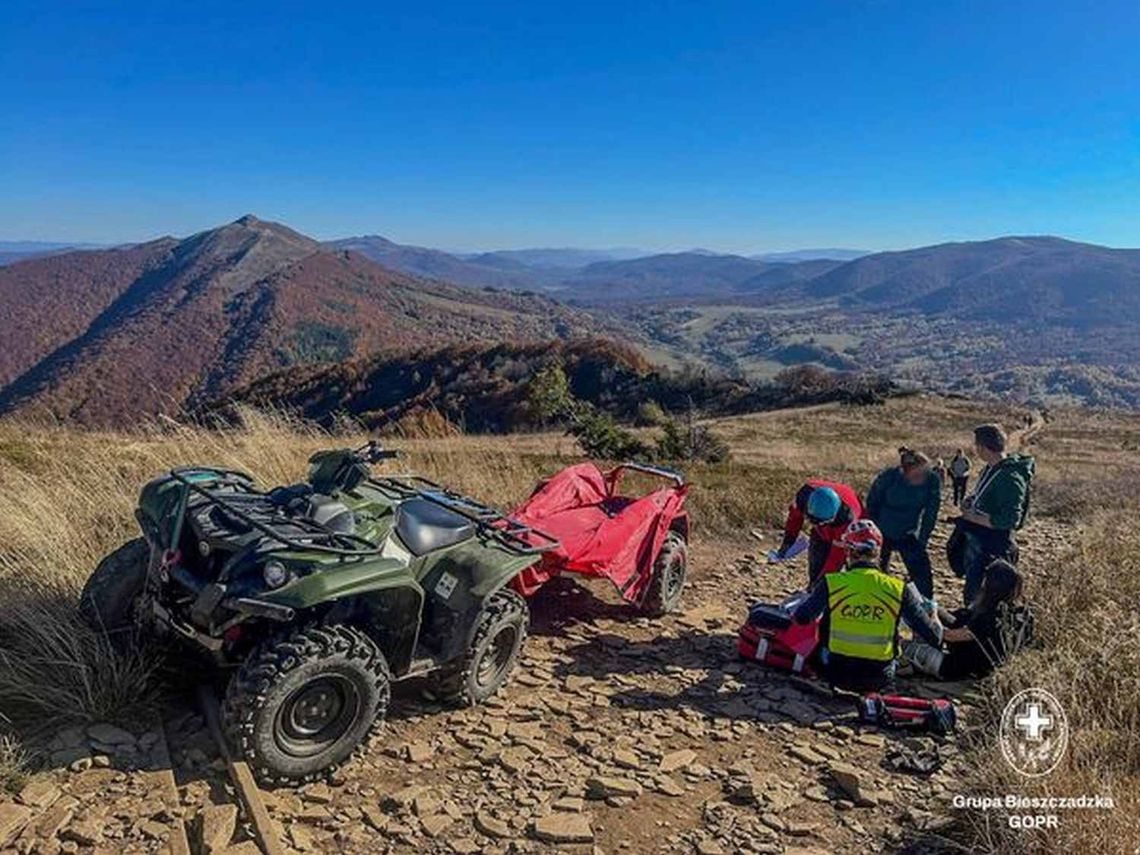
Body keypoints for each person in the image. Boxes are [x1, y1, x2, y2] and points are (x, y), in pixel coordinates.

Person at [791, 519, 943, 692]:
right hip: (879, 677)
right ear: (878, 552)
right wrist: (934, 614)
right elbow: (932, 636)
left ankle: (820, 679)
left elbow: (802, 618)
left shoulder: (832, 582)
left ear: (848, 551)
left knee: (824, 624)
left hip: (835, 672)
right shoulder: (898, 589)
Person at [903, 559, 1031, 679]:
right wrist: (932, 608)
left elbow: (945, 635)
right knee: (928, 609)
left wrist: (933, 614)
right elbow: (958, 620)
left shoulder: (990, 619)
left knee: (901, 647)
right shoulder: (1014, 611)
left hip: (953, 667)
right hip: (970, 657)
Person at [956, 424, 1034, 604]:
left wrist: (972, 517)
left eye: (977, 446)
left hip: (994, 545)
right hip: (978, 541)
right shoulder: (991, 469)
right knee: (972, 589)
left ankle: (976, 628)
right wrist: (971, 502)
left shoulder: (1010, 477)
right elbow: (984, 495)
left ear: (983, 447)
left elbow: (1011, 519)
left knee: (983, 596)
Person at [864, 447, 941, 598]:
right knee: (876, 571)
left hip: (909, 532)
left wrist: (922, 539)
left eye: (925, 473)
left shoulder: (932, 480)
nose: (922, 477)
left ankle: (924, 605)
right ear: (905, 472)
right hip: (882, 529)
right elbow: (872, 503)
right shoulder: (889, 477)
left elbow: (931, 513)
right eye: (917, 474)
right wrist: (873, 535)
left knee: (922, 576)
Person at [772, 480, 862, 587]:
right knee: (817, 554)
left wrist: (822, 582)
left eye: (820, 523)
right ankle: (813, 586)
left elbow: (836, 558)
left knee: (849, 569)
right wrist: (788, 542)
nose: (816, 525)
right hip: (826, 519)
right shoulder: (803, 497)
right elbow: (794, 519)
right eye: (811, 520)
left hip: (849, 526)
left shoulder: (847, 521)